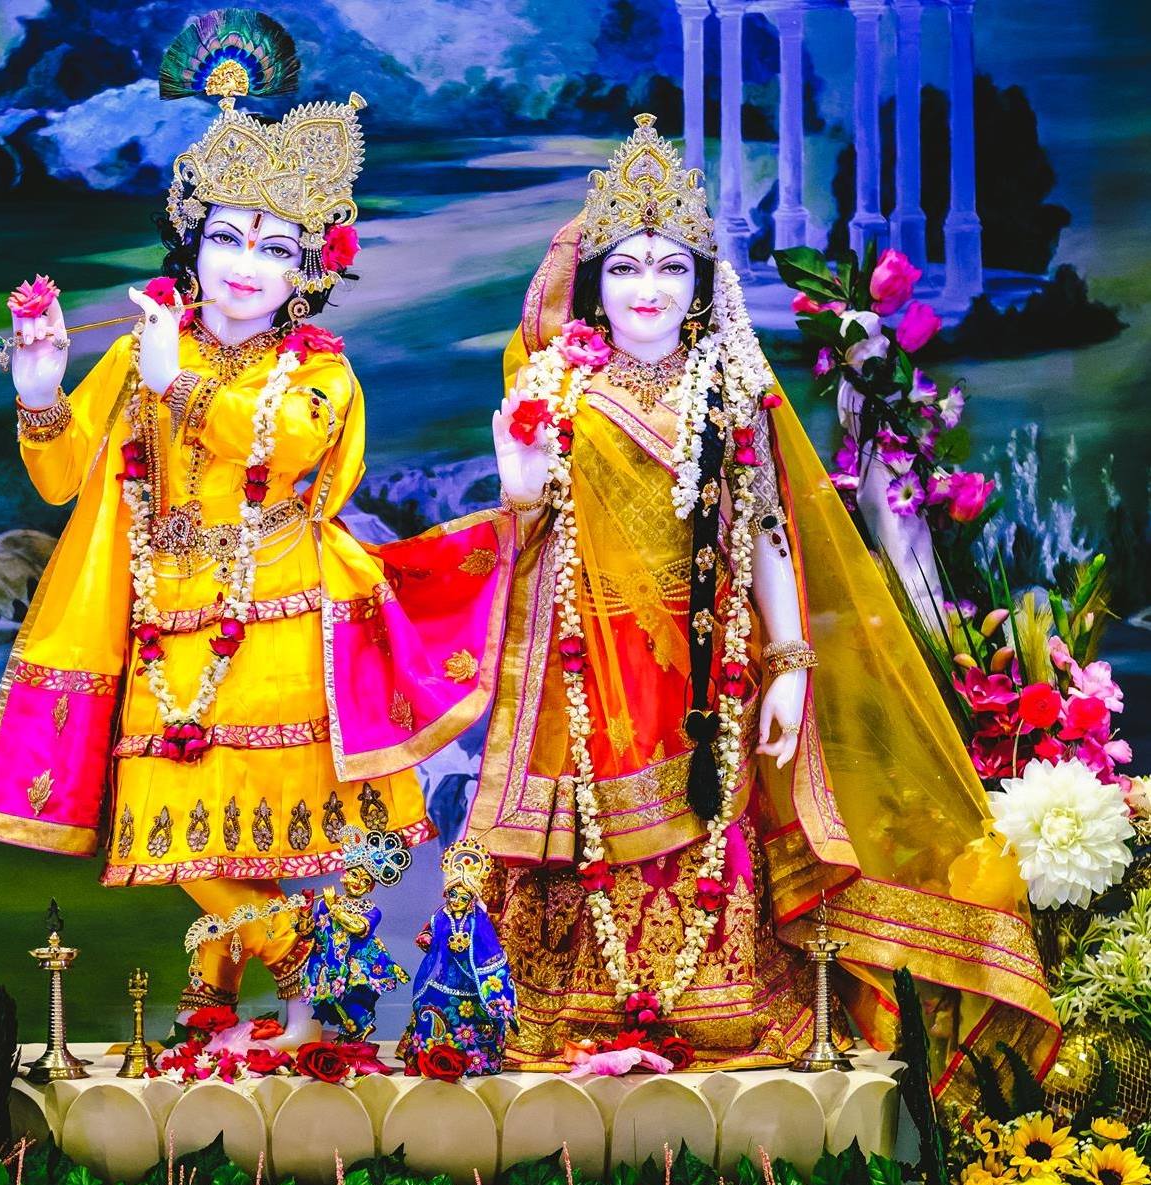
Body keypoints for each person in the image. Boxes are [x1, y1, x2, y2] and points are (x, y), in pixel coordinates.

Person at [0, 10, 510, 1045]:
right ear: (191, 244)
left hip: (285, 631)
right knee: (179, 841)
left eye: (275, 247)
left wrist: (184, 393)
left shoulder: (320, 371)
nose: (246, 265)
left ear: (309, 270)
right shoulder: (141, 348)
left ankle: (295, 1017)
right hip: (164, 632)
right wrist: (38, 392)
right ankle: (301, 970)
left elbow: (295, 456)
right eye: (226, 238)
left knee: (290, 842)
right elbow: (69, 472)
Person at [472, 115, 1056, 1091]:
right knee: (588, 854)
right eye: (625, 269)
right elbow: (527, 529)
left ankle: (718, 1016)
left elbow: (767, 529)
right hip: (590, 671)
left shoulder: (731, 384)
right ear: (592, 283)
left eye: (669, 267)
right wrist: (522, 476)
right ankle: (583, 1020)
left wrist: (789, 664)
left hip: (709, 669)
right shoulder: (555, 384)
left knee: (711, 832)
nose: (648, 290)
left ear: (703, 282)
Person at [399, 838, 517, 1076]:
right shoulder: (440, 915)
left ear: (471, 899)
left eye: (463, 897)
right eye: (453, 895)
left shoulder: (478, 919)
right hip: (440, 973)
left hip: (471, 978)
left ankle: (475, 1060)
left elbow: (489, 946)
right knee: (428, 1003)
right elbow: (428, 931)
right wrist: (426, 938)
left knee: (477, 1014)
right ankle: (428, 1056)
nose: (456, 901)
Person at [298, 824, 410, 1040]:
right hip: (328, 963)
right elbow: (307, 933)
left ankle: (360, 1027)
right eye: (354, 875)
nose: (358, 883)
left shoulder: (371, 910)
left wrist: (335, 909)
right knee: (332, 1000)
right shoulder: (326, 904)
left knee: (352, 997)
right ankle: (350, 1032)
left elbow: (358, 928)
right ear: (343, 875)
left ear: (370, 888)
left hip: (357, 964)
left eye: (365, 881)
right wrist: (304, 910)